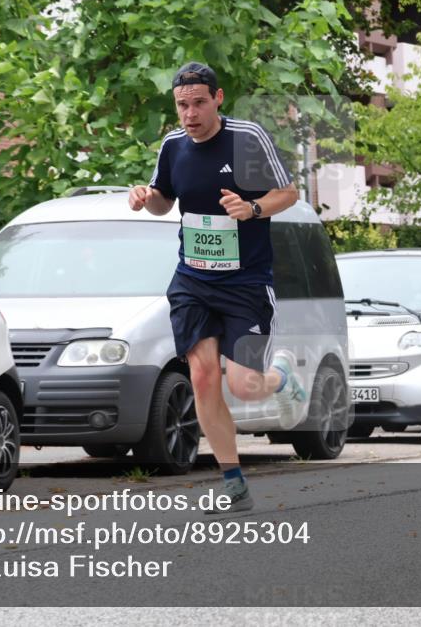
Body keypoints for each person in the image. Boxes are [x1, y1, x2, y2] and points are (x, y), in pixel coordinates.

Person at [129, 62, 306, 512]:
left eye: (199, 103)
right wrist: (147, 200)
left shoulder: (246, 139)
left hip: (246, 282)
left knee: (245, 386)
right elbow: (164, 201)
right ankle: (234, 485)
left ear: (218, 99)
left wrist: (252, 208)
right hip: (193, 279)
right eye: (182, 105)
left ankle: (281, 377)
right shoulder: (172, 146)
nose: (190, 114)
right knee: (203, 376)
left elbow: (288, 193)